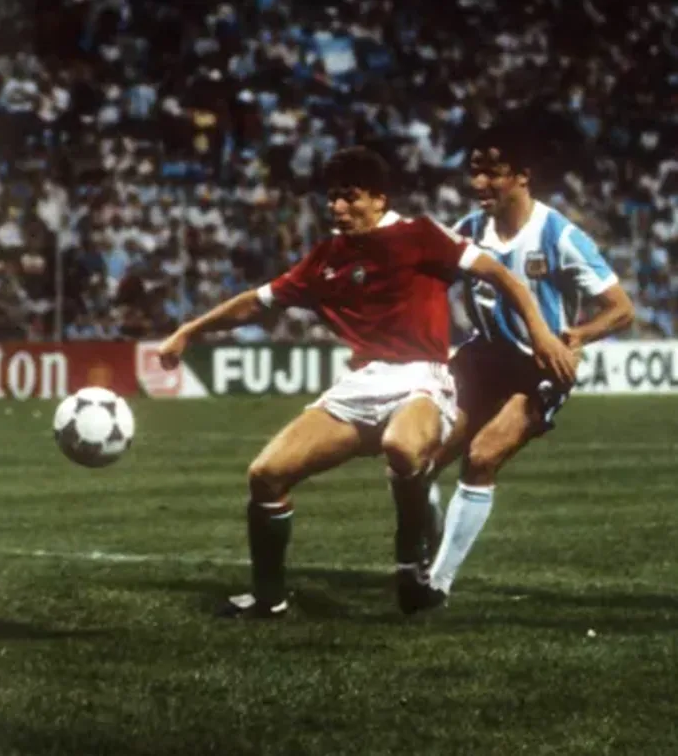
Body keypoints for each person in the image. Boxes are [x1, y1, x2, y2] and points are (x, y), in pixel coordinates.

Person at [156, 146, 577, 618]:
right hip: (359, 385)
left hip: (422, 377)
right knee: (266, 475)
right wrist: (188, 331)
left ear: (379, 199)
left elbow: (501, 275)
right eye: (332, 198)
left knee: (403, 447)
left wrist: (541, 333)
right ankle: (269, 599)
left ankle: (411, 566)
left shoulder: (420, 235)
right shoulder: (327, 257)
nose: (338, 208)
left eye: (350, 197)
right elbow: (257, 302)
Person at [411, 121, 635, 610]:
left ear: (522, 176)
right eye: (474, 172)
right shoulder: (468, 231)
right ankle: (428, 551)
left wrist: (574, 338)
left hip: (538, 367)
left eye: (492, 172)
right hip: (482, 358)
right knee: (417, 461)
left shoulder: (559, 235)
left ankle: (437, 584)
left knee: (482, 457)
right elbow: (426, 284)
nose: (480, 183)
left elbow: (621, 309)